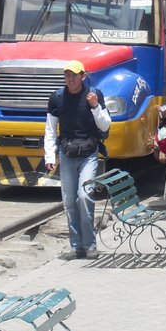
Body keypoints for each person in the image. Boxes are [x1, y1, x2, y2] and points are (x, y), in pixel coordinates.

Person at [44, 60, 110, 261]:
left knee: (84, 196)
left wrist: (95, 106)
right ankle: (76, 247)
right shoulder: (57, 98)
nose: (70, 79)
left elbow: (105, 126)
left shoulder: (93, 95)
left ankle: (90, 245)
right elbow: (50, 128)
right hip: (67, 153)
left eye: (74, 75)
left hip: (89, 153)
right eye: (67, 75)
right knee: (69, 202)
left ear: (83, 76)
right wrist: (50, 155)